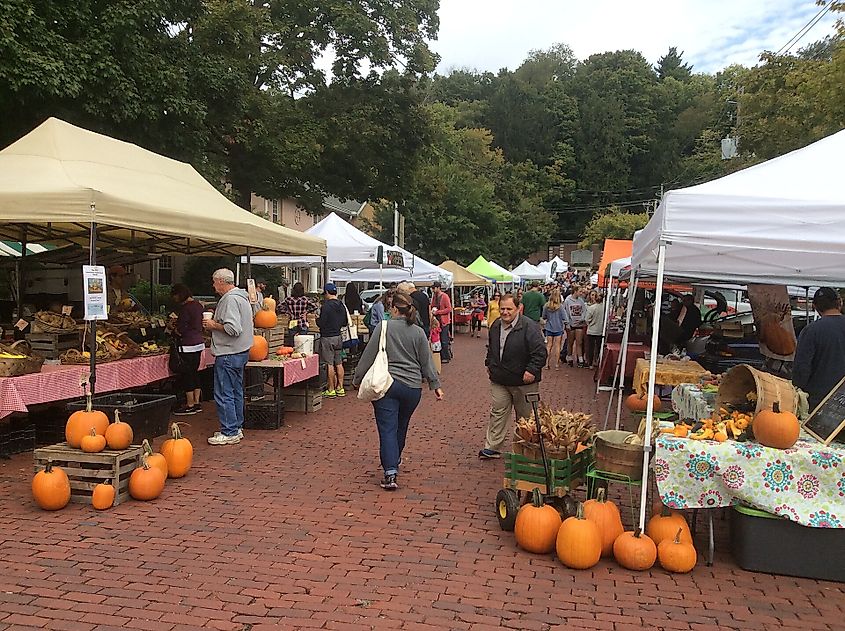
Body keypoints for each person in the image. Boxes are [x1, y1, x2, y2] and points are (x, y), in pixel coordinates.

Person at [353, 290, 444, 490]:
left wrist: (357, 379)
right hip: (412, 388)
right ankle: (395, 457)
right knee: (401, 426)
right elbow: (426, 361)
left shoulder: (383, 327)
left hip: (387, 384)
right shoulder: (419, 331)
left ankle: (390, 471)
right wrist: (435, 385)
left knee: (387, 428)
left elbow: (368, 356)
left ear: (393, 308)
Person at [479, 293, 547, 460]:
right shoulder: (496, 325)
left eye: (509, 308)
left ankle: (524, 449)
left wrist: (531, 370)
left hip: (523, 381)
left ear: (518, 308)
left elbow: (540, 353)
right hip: (500, 379)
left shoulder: (529, 327)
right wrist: (489, 364)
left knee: (525, 417)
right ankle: (493, 446)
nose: (505, 312)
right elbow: (491, 347)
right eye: (502, 308)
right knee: (498, 412)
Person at [203, 268, 254, 445]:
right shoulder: (242, 297)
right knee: (236, 390)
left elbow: (233, 329)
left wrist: (212, 325)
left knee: (224, 392)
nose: (213, 285)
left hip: (228, 352)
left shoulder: (230, 299)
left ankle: (229, 430)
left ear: (222, 282)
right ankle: (236, 427)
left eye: (214, 281)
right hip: (241, 351)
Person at [793, 287, 845, 413]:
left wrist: (797, 389)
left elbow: (801, 369)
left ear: (815, 306)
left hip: (819, 404)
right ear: (839, 302)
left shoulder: (811, 331)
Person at [170, 284, 206, 416]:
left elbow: (181, 329)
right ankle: (197, 402)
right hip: (199, 343)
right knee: (195, 373)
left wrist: (172, 328)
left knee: (187, 374)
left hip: (187, 345)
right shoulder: (198, 306)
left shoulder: (185, 308)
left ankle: (189, 403)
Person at [317, 283, 348, 398]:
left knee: (329, 363)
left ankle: (331, 389)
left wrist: (317, 321)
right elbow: (345, 322)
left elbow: (322, 322)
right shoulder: (341, 305)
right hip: (338, 336)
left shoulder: (326, 306)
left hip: (327, 337)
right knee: (339, 362)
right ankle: (340, 387)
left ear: (327, 293)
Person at [563, 286, 588, 367]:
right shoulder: (567, 300)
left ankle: (580, 358)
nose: (581, 293)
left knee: (579, 342)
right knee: (570, 341)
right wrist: (567, 323)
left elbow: (584, 310)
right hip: (571, 323)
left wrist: (582, 318)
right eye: (580, 291)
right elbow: (566, 312)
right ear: (575, 291)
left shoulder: (581, 301)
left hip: (579, 323)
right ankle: (569, 356)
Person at [541, 288, 565, 370]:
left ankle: (546, 364)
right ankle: (556, 364)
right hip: (558, 327)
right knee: (557, 346)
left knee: (548, 346)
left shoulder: (546, 306)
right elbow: (564, 317)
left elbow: (544, 316)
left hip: (549, 327)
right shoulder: (560, 307)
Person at [431, 282, 452, 363]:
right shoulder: (434, 297)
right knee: (437, 339)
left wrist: (438, 312)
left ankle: (446, 356)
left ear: (438, 288)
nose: (433, 290)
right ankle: (440, 355)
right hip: (437, 321)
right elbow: (432, 305)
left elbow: (449, 309)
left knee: (444, 339)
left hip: (444, 321)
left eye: (434, 288)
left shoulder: (444, 296)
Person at [585, 290, 606, 369]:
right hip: (600, 331)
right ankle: (598, 361)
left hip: (591, 330)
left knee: (590, 348)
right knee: (599, 347)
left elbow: (587, 319)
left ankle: (590, 363)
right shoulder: (605, 308)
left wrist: (590, 323)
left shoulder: (591, 308)